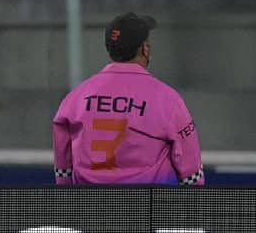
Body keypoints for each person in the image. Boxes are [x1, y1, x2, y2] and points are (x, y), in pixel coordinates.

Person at [53, 12, 204, 186]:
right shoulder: (168, 100)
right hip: (150, 210)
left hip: (91, 210)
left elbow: (63, 171)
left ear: (109, 48)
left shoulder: (75, 98)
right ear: (145, 48)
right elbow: (192, 176)